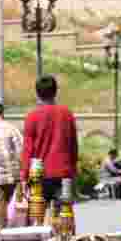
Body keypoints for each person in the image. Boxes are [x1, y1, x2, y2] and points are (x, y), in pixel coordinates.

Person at [20, 75, 79, 209]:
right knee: (64, 216)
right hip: (64, 174)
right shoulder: (67, 114)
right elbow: (73, 146)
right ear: (55, 91)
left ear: (37, 93)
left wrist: (24, 177)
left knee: (39, 217)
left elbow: (27, 150)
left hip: (38, 175)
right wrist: (74, 171)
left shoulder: (32, 117)